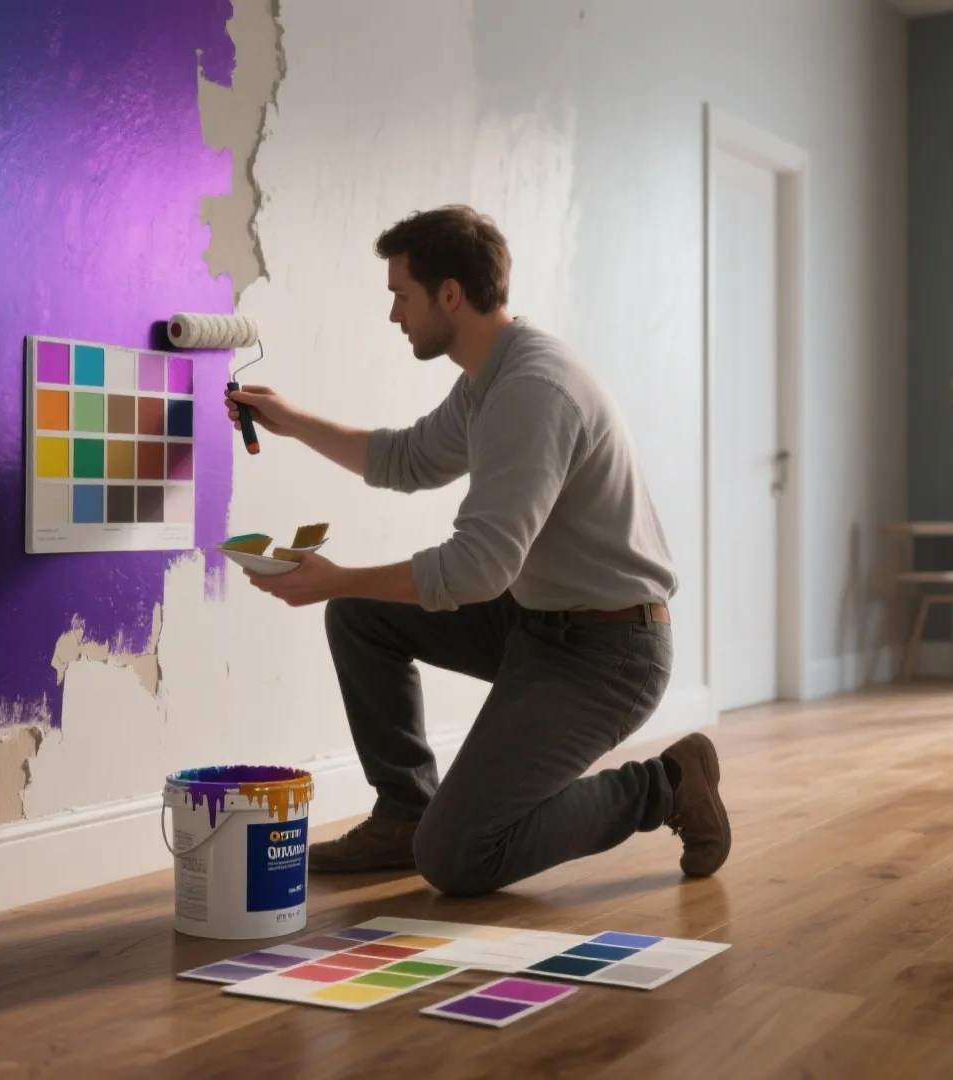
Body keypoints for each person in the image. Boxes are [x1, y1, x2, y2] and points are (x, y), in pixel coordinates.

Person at [223, 205, 729, 897]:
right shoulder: (488, 379)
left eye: (402, 295)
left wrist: (333, 576)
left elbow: (477, 568)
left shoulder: (531, 390)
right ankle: (404, 813)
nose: (395, 314)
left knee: (460, 855)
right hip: (537, 620)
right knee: (359, 613)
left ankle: (665, 786)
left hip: (609, 652)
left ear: (450, 294)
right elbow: (406, 460)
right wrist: (293, 421)